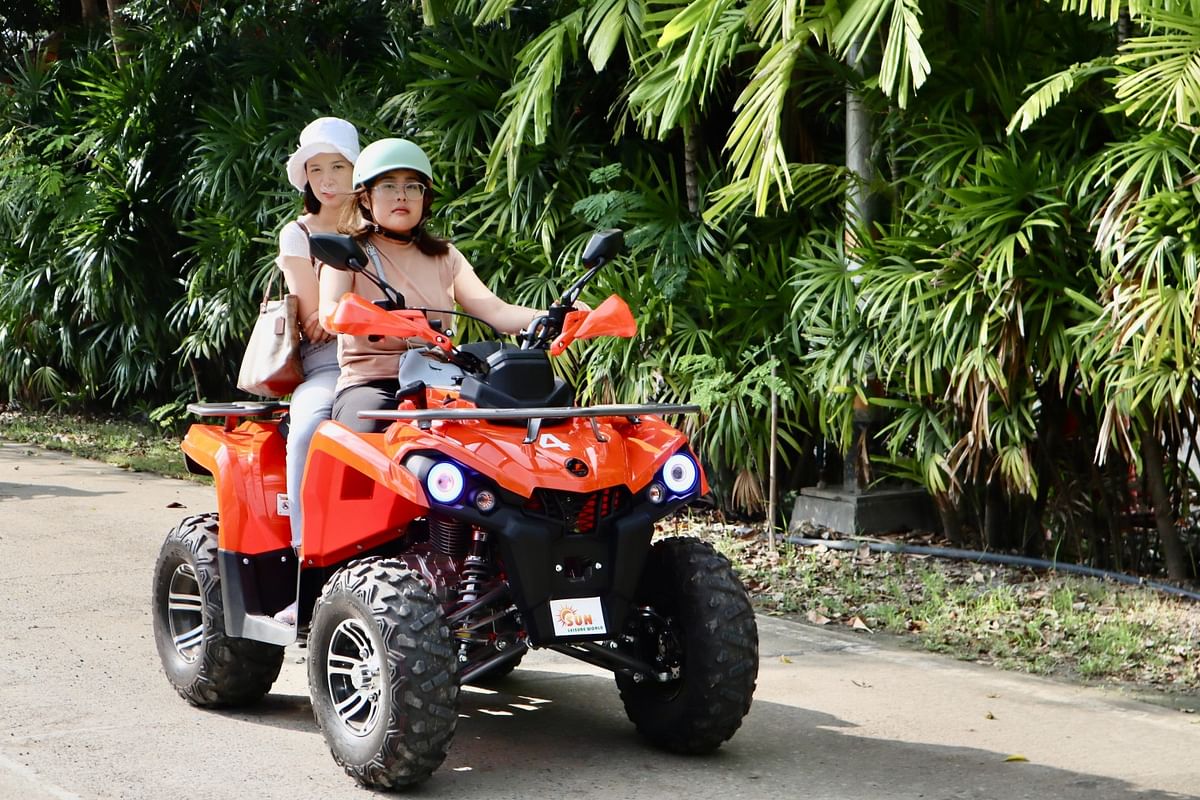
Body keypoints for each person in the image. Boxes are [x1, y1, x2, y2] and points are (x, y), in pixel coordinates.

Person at [319, 138, 565, 431]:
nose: (402, 196)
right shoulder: (350, 253)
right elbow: (330, 312)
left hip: (442, 381)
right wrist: (376, 319)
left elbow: (496, 311)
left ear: (425, 198)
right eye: (388, 186)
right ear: (365, 198)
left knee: (524, 424)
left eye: (412, 186)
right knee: (365, 435)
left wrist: (553, 316)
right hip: (374, 384)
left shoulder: (444, 255)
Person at [273, 117, 360, 624]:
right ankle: (307, 568)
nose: (327, 180)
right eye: (317, 169)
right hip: (330, 363)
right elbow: (315, 320)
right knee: (307, 425)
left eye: (338, 167)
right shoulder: (299, 233)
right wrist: (339, 311)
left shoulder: (382, 223)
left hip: (398, 353)